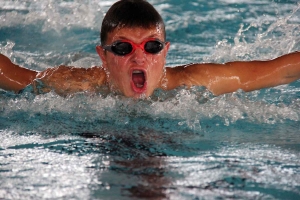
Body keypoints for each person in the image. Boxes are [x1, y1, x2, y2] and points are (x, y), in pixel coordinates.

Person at [0, 0, 299, 98]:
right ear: (103, 56)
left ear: (166, 52)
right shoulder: (80, 85)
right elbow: (13, 76)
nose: (139, 56)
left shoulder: (191, 82)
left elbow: (279, 72)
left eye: (152, 46)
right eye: (123, 48)